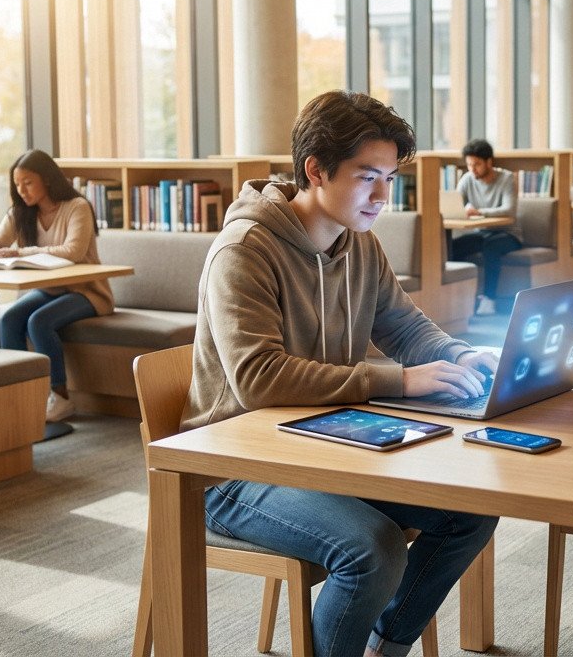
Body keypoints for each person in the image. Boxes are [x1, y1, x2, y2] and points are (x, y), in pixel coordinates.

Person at [182, 90, 498, 657]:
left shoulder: (360, 244)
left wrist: (457, 355)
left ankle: (382, 648)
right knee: (372, 550)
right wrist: (395, 381)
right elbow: (258, 379)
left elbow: (403, 326)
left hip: (327, 444)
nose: (383, 196)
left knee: (469, 509)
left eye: (389, 179)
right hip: (233, 468)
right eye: (367, 177)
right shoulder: (244, 250)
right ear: (316, 170)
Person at [0, 150, 112, 423]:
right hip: (48, 290)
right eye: (17, 184)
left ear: (46, 179)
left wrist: (21, 252)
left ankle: (60, 397)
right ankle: (21, 394)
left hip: (86, 292)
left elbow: (74, 251)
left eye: (28, 183)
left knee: (39, 322)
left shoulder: (77, 207)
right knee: (9, 319)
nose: (21, 190)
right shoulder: (21, 212)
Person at [449, 138, 521, 316]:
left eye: (477, 164)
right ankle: (458, 300)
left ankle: (489, 300)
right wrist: (462, 209)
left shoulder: (507, 178)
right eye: (469, 165)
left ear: (489, 162)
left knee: (491, 246)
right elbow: (455, 204)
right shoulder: (467, 179)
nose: (472, 169)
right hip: (482, 232)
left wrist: (479, 212)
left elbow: (509, 210)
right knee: (452, 248)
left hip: (509, 234)